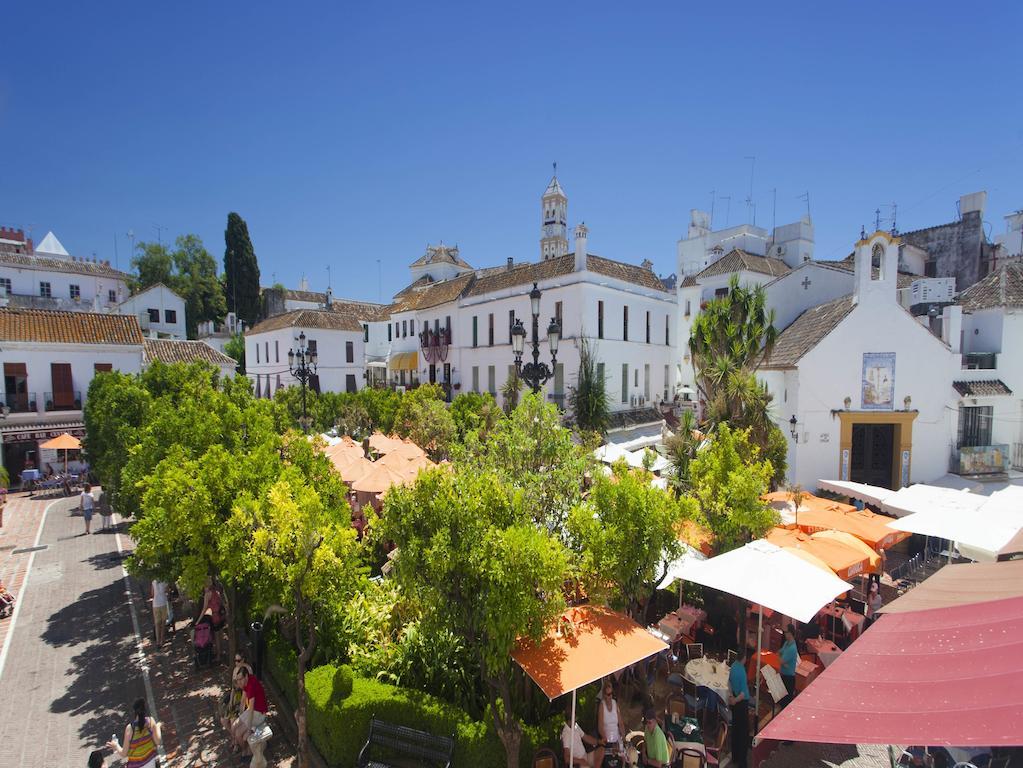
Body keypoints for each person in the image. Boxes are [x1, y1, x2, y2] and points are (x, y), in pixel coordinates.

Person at [107, 697, 161, 768]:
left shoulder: (130, 728)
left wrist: (116, 745)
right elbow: (158, 741)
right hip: (150, 763)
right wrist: (158, 726)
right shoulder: (151, 722)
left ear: (134, 711)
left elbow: (124, 753)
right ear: (145, 709)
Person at [230, 667, 268, 753]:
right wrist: (240, 715)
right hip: (252, 710)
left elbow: (250, 710)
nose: (239, 682)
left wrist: (248, 730)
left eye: (240, 679)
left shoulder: (251, 687)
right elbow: (243, 700)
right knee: (233, 727)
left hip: (259, 713)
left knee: (239, 734)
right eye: (237, 679)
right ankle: (245, 747)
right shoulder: (246, 681)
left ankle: (245, 751)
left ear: (246, 676)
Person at [727, 648, 751, 768]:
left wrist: (731, 697)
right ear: (744, 658)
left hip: (735, 700)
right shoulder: (741, 671)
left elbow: (729, 682)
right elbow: (743, 693)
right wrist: (735, 701)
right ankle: (742, 761)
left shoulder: (733, 666)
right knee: (743, 733)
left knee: (736, 730)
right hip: (741, 704)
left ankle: (735, 756)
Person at [597, 681, 625, 756]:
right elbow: (600, 727)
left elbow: (621, 723)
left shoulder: (615, 703)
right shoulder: (602, 706)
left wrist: (623, 738)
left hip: (617, 739)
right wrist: (606, 740)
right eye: (608, 694)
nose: (610, 696)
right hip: (607, 741)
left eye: (612, 693)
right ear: (604, 695)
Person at [779, 624, 798, 709]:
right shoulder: (786, 643)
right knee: (781, 700)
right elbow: (779, 652)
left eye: (786, 632)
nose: (784, 634)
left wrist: (782, 662)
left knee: (785, 704)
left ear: (790, 633)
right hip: (784, 675)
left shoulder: (792, 648)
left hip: (788, 679)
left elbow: (781, 660)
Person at [151, 580, 169, 649]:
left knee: (157, 624)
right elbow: (167, 591)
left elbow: (152, 594)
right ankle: (162, 639)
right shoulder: (164, 581)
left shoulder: (153, 581)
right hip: (163, 603)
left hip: (155, 604)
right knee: (163, 623)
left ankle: (158, 641)